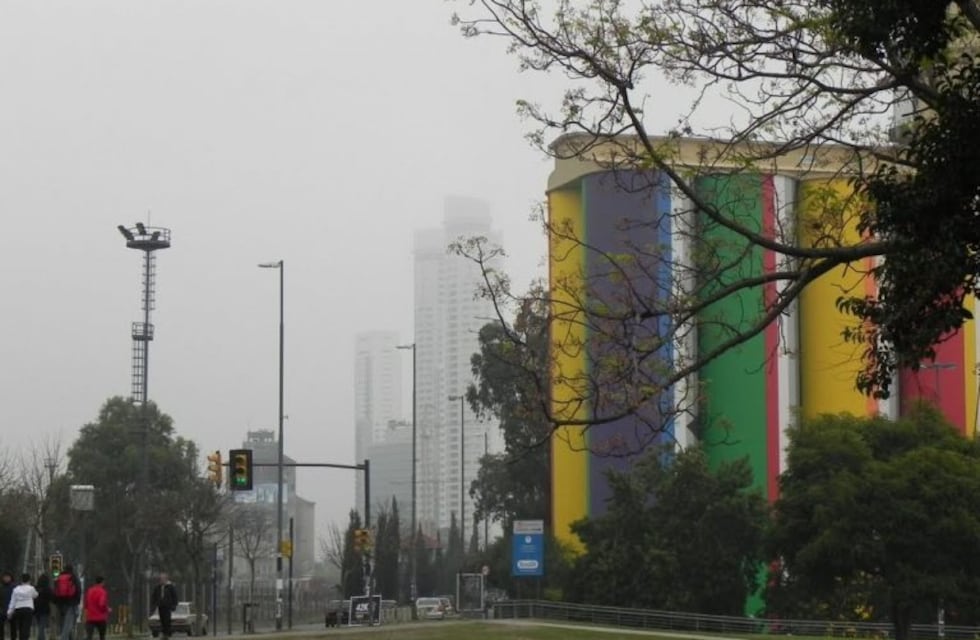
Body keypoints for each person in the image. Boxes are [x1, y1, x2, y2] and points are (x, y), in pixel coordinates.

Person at [52, 566, 80, 640]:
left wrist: (56, 602)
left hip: (60, 604)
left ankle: (69, 638)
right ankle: (64, 638)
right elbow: (78, 590)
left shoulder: (58, 578)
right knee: (68, 624)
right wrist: (77, 602)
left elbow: (55, 591)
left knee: (64, 623)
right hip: (71, 603)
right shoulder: (73, 578)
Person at [7, 574, 37, 640]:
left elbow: (13, 601)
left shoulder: (16, 589)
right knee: (26, 627)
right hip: (28, 609)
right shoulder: (31, 588)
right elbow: (35, 595)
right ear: (29, 580)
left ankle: (21, 638)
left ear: (21, 580)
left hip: (18, 609)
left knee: (21, 626)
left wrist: (9, 612)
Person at [149, 574, 177, 640]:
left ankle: (166, 634)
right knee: (162, 620)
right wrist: (154, 604)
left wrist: (174, 605)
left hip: (167, 606)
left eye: (163, 579)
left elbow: (174, 596)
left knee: (167, 620)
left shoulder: (170, 587)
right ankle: (164, 633)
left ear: (166, 579)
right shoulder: (158, 587)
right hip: (160, 606)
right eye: (161, 579)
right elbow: (154, 596)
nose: (161, 580)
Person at [33, 574, 51, 640]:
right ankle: (40, 638)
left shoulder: (35, 588)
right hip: (44, 609)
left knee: (39, 625)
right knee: (42, 626)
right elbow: (51, 597)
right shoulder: (48, 589)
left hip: (36, 609)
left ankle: (41, 637)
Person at [0, 573, 14, 640]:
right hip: (2, 610)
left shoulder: (14, 587)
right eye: (5, 577)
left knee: (13, 627)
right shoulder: (1, 587)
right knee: (1, 626)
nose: (6, 578)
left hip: (12, 610)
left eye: (8, 577)